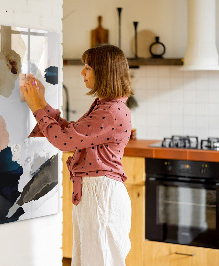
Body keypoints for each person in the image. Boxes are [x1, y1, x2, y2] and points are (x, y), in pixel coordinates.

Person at [20, 44, 133, 266]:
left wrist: (36, 108)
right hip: (95, 194)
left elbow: (64, 141)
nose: (82, 72)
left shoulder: (110, 111)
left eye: (88, 67)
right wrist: (42, 103)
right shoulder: (106, 106)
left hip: (101, 196)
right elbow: (72, 133)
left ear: (104, 72)